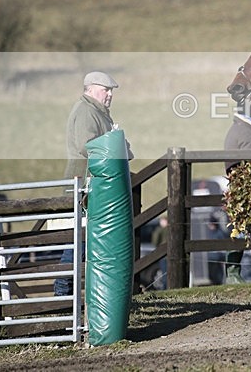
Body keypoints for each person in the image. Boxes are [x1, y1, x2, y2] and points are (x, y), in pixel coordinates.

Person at [55, 70, 132, 296]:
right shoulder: (87, 111)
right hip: (84, 182)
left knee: (86, 240)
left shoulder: (97, 111)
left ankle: (74, 294)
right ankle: (62, 292)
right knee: (78, 240)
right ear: (91, 89)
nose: (110, 95)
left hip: (93, 181)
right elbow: (86, 145)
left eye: (111, 91)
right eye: (105, 89)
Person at [223, 102, 251, 284]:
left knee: (238, 230)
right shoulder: (246, 132)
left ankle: (232, 272)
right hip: (245, 189)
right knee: (240, 231)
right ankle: (232, 273)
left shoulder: (237, 128)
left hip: (237, 187)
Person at [150, 216, 170, 289]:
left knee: (164, 274)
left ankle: (165, 288)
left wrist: (159, 229)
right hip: (168, 255)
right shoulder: (171, 229)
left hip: (164, 255)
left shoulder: (161, 230)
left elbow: (155, 241)